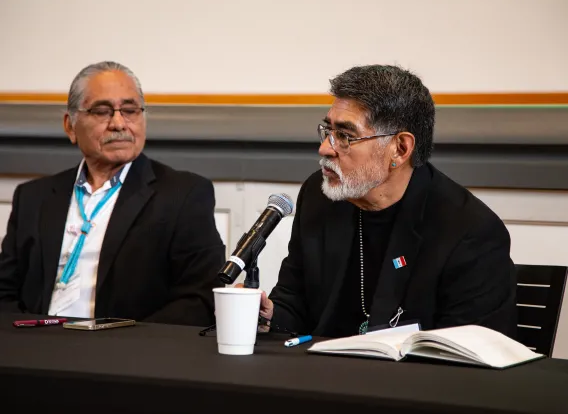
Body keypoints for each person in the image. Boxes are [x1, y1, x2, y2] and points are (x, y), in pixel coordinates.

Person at [259, 65, 517, 338]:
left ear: (400, 148)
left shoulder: (468, 231)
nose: (325, 148)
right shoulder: (320, 196)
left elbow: (469, 355)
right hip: (323, 374)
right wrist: (267, 315)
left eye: (345, 136)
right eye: (327, 131)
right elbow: (295, 302)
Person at [0, 61, 225, 326]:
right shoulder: (33, 197)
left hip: (125, 355)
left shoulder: (183, 195)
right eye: (102, 112)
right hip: (38, 349)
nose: (119, 123)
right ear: (70, 126)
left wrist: (125, 345)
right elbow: (5, 292)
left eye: (130, 110)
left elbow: (199, 298)